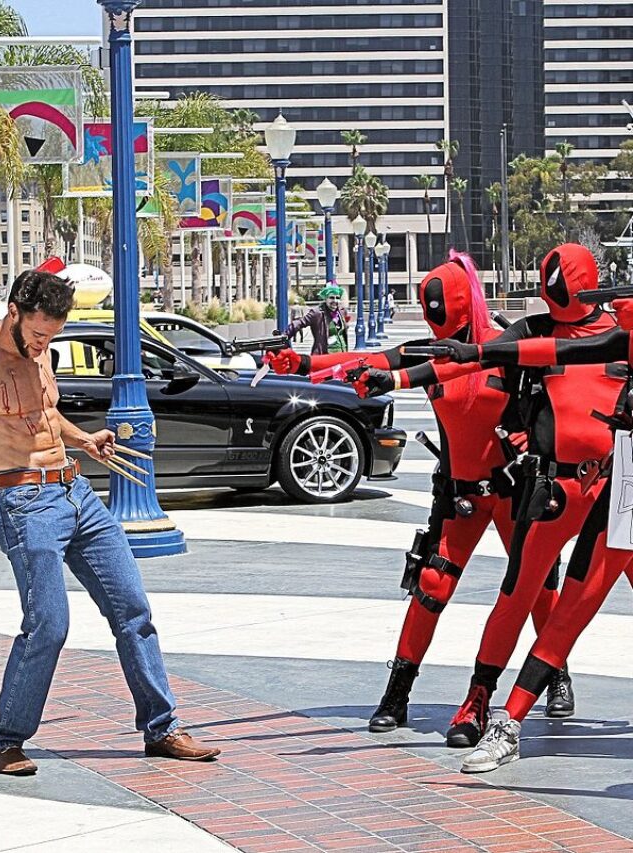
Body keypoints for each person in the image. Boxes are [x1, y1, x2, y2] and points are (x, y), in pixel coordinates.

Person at [270, 251, 560, 734]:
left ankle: (555, 674)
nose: (439, 322)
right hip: (460, 494)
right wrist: (302, 362)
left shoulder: (504, 347)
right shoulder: (428, 351)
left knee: (536, 584)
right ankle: (398, 691)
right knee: (431, 586)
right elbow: (365, 360)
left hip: (512, 489)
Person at [0, 269, 221, 776]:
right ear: (13, 313)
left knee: (133, 610)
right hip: (24, 502)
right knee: (49, 624)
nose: (43, 344)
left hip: (76, 492)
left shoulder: (41, 350)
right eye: (37, 334)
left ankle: (162, 729)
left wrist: (83, 440)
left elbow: (44, 417)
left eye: (52, 335)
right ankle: (4, 739)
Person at [424, 292, 633, 773]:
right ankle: (507, 719)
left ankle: (508, 718)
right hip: (607, 491)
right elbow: (554, 352)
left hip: (610, 488)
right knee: (565, 611)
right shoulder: (613, 339)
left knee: (565, 609)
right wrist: (474, 354)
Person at [284, 284, 348, 354]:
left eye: (337, 298)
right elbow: (300, 323)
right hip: (325, 355)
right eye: (332, 297)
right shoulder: (317, 313)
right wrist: (285, 336)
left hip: (342, 355)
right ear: (326, 299)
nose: (335, 300)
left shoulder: (341, 312)